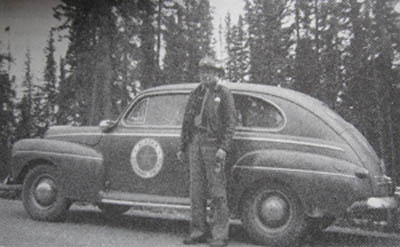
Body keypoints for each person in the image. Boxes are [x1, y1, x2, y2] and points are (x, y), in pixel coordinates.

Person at [177, 56, 236, 247]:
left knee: (217, 190)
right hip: (195, 143)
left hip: (213, 145)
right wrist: (183, 146)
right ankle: (198, 232)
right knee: (196, 190)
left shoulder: (224, 93)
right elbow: (187, 120)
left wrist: (223, 148)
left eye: (209, 72)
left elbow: (230, 123)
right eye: (202, 72)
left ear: (217, 74)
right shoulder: (196, 93)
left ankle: (219, 235)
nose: (205, 75)